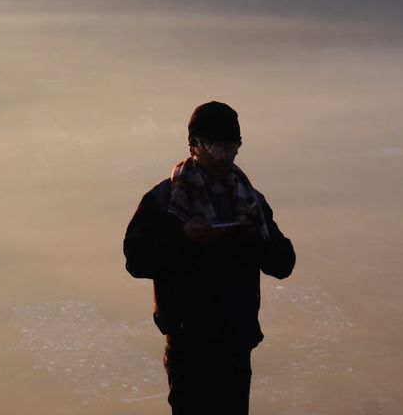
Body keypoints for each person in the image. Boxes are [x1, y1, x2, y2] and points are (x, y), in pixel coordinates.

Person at [123, 101, 295, 414]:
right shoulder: (164, 201)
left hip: (235, 343)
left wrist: (255, 240)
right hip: (188, 344)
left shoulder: (251, 201)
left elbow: (284, 264)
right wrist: (183, 238)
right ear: (194, 146)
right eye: (217, 146)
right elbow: (136, 260)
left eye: (232, 146)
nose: (225, 157)